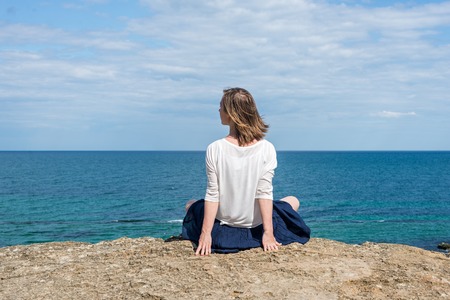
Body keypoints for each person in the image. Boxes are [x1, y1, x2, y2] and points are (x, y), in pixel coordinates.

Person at [182, 87, 310, 255]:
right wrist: (268, 233)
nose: (219, 109)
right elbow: (264, 192)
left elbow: (213, 194)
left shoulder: (215, 148)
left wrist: (206, 235)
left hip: (222, 230)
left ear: (231, 113)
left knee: (190, 205)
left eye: (221, 106)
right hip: (257, 230)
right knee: (293, 200)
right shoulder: (267, 148)